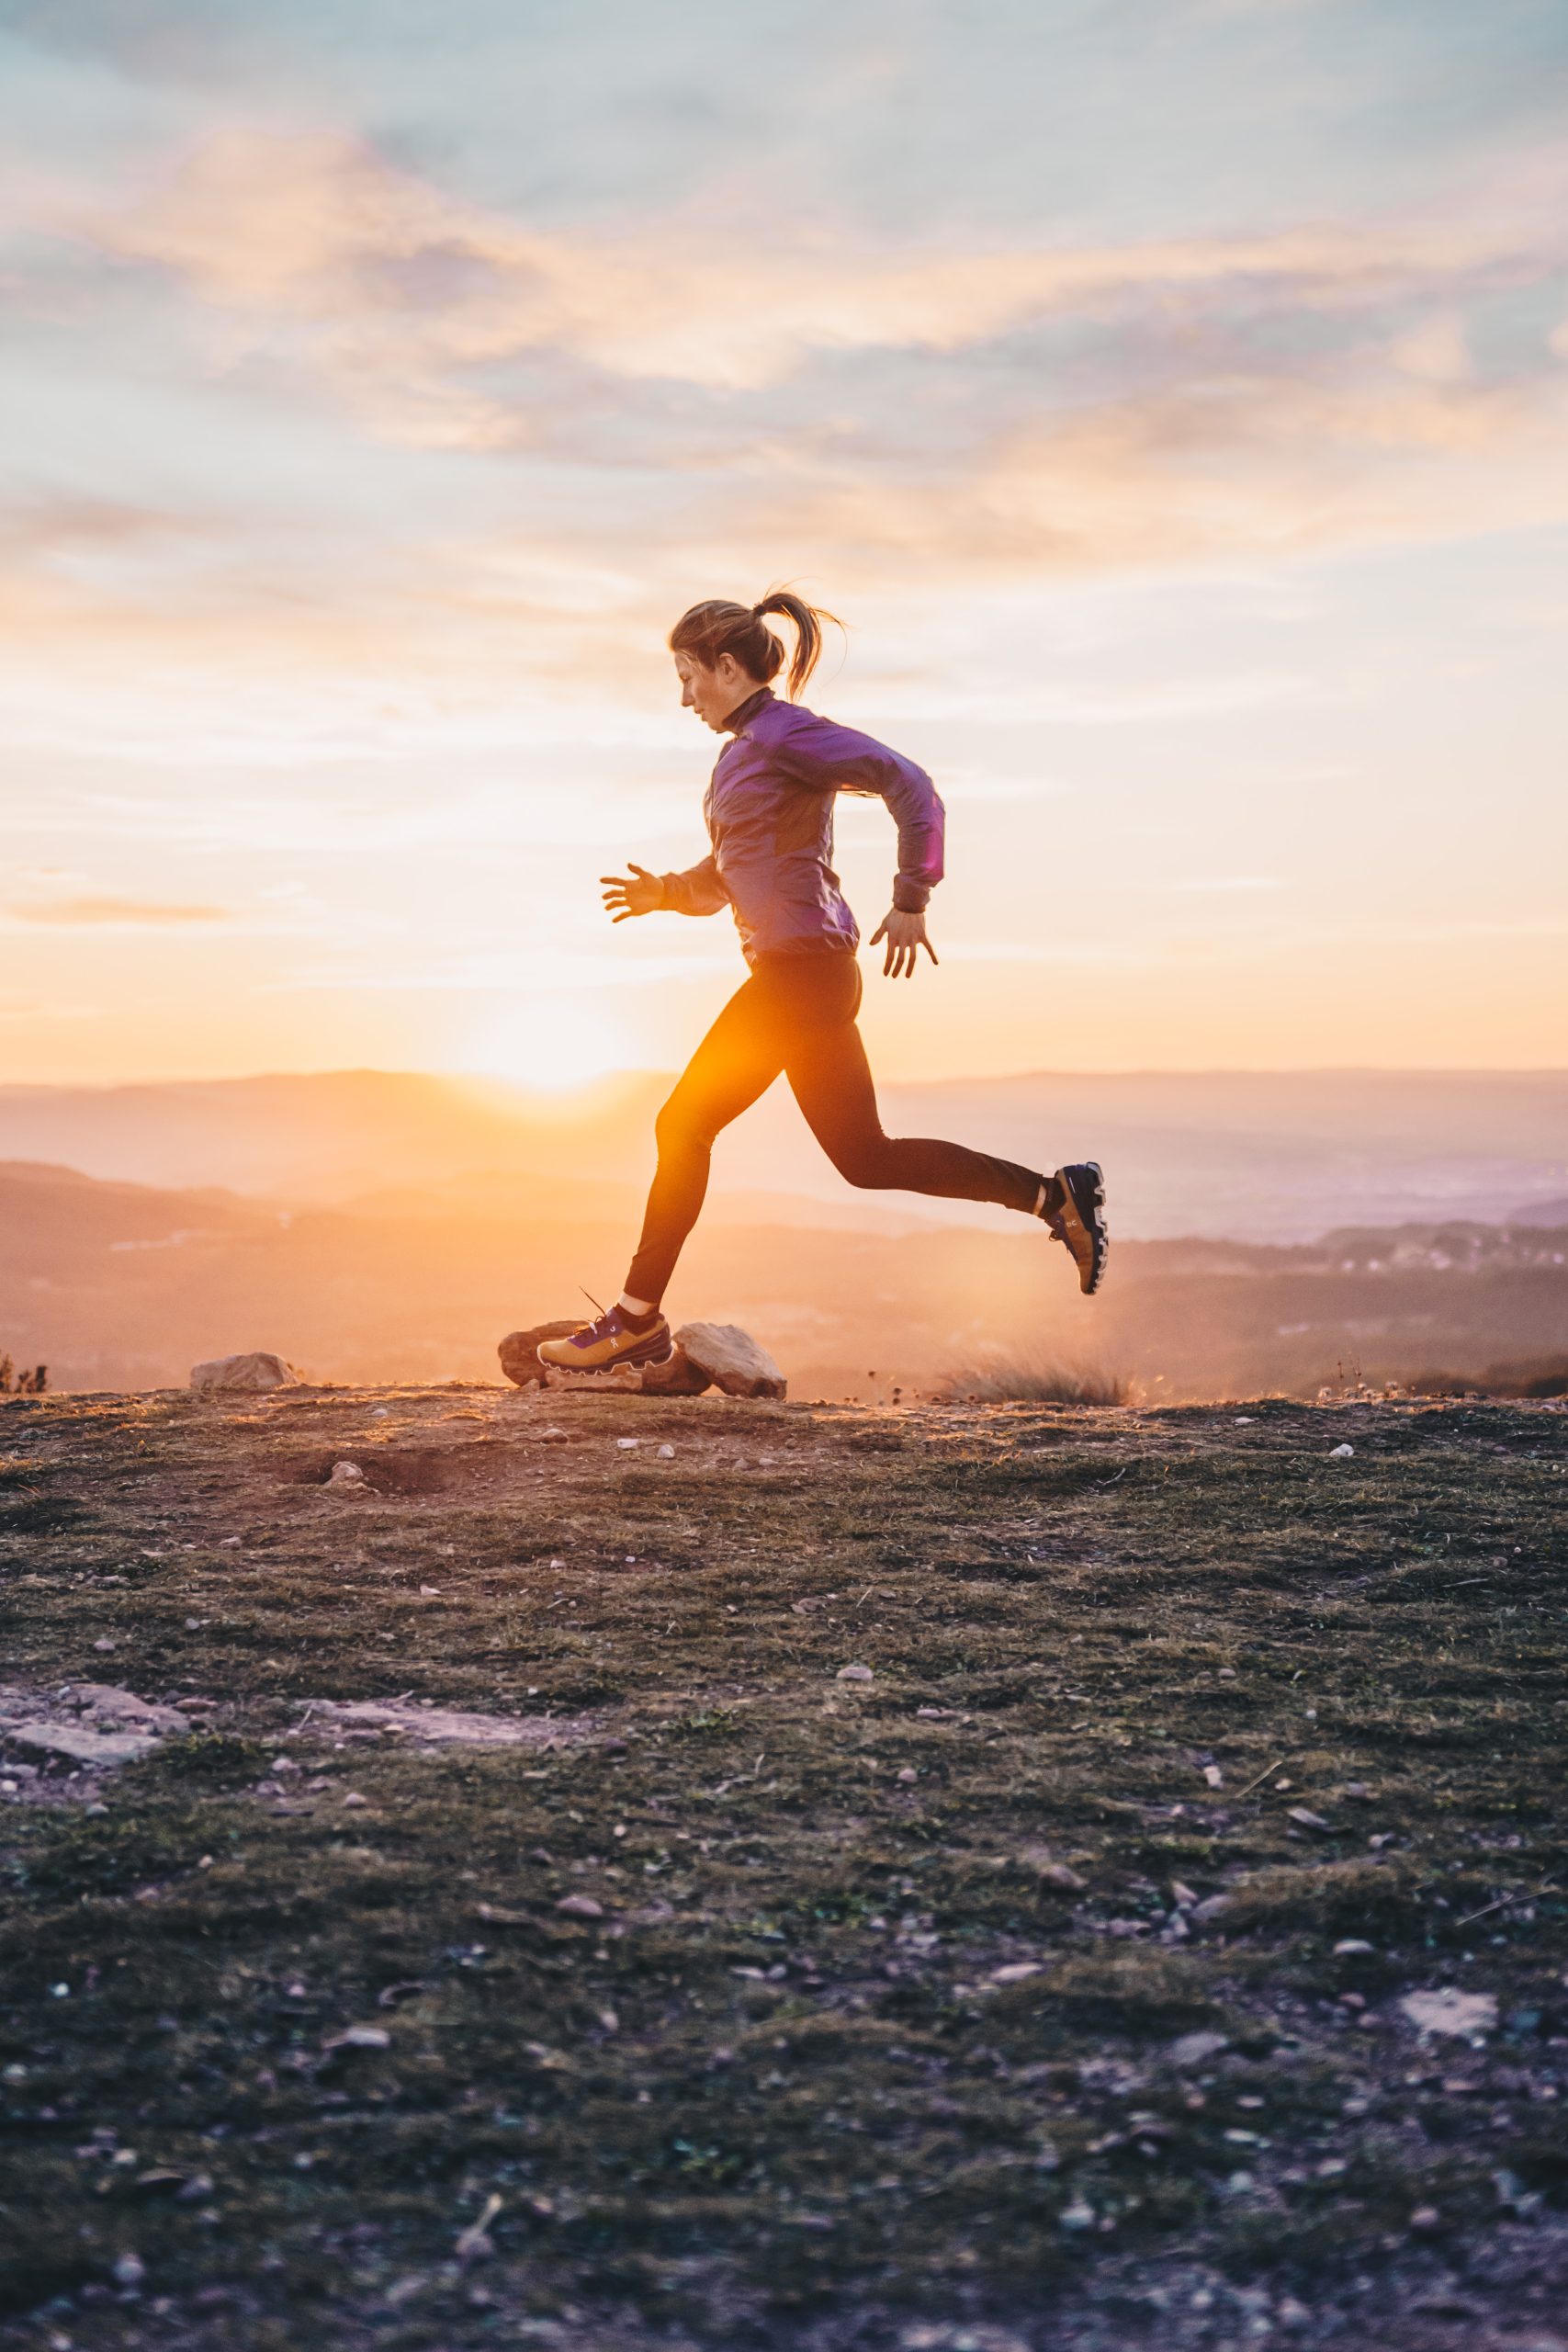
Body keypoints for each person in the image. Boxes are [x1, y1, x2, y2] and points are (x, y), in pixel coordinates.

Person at [538, 591, 1106, 1375]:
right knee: (865, 1158)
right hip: (809, 978)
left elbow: (911, 785)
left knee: (683, 1125)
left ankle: (634, 1320)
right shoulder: (746, 748)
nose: (681, 696)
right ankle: (1055, 1196)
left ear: (727, 668)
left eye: (686, 676)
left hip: (800, 978)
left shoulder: (784, 734)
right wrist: (667, 892)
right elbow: (731, 873)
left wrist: (912, 894)